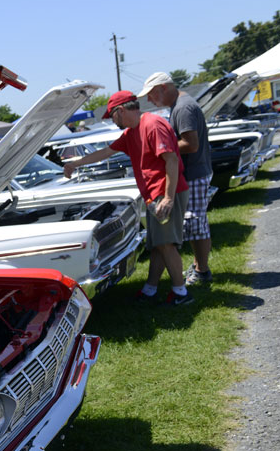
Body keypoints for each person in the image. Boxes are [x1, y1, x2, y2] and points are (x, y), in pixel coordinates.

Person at [63, 91, 193, 306]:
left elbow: (171, 161)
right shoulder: (132, 132)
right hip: (155, 195)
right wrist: (75, 164)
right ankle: (150, 290)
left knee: (167, 245)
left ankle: (181, 293)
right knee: (159, 244)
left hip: (167, 192)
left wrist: (168, 198)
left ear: (121, 110)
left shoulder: (152, 124)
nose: (112, 121)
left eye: (112, 116)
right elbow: (105, 152)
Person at [140, 72, 214, 286]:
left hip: (194, 173)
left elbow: (191, 144)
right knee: (195, 223)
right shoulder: (181, 104)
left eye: (152, 94)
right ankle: (200, 267)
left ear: (163, 87)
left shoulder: (182, 108)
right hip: (194, 172)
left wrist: (160, 149)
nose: (149, 100)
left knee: (196, 224)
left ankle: (202, 271)